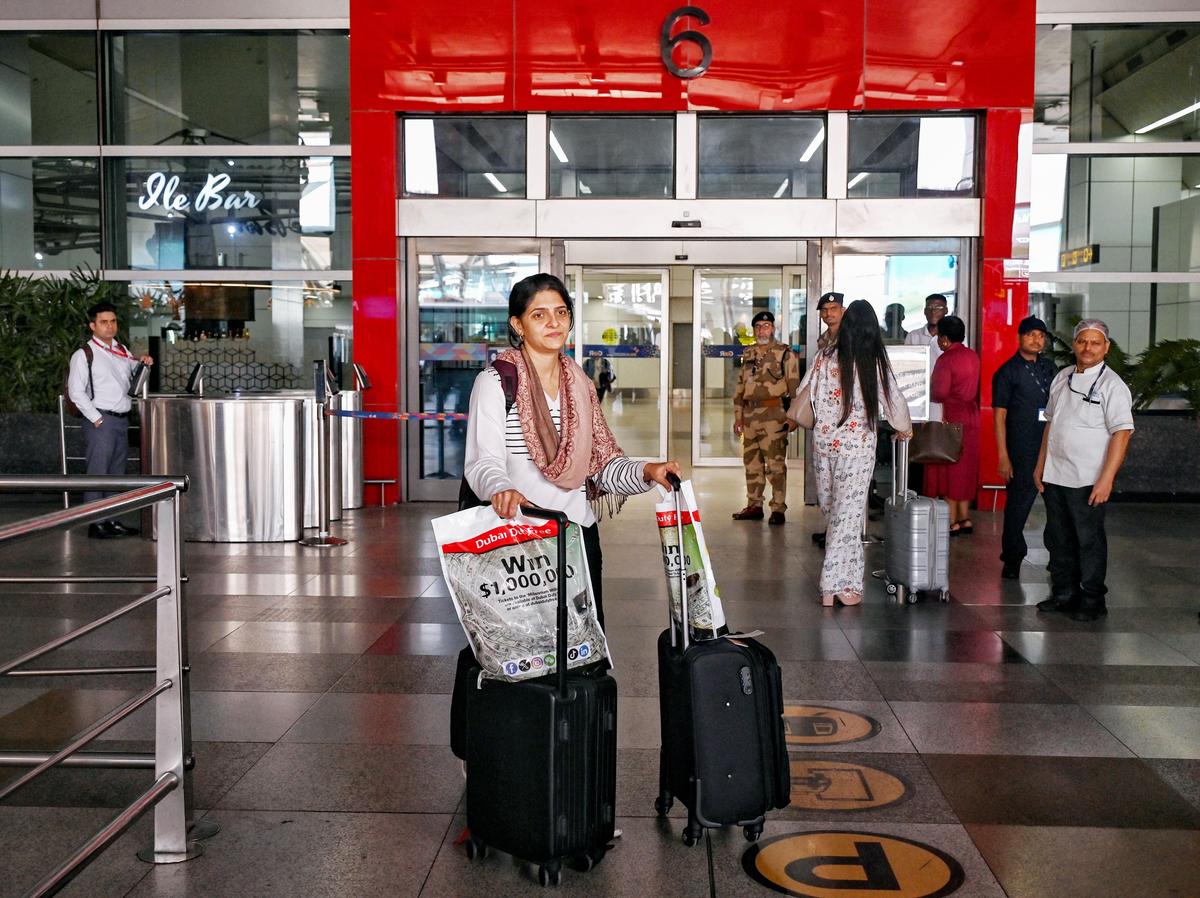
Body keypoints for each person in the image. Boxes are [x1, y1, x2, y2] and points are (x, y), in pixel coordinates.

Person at [464, 273, 681, 625]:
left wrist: (646, 471)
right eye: (539, 315)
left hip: (577, 537)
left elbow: (601, 467)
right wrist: (500, 489)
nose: (553, 322)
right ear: (517, 325)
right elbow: (482, 462)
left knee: (582, 650)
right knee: (526, 653)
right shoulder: (496, 382)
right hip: (519, 541)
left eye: (561, 313)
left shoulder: (579, 384)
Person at [806, 300, 911, 606]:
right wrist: (904, 427)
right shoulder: (872, 359)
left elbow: (806, 393)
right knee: (846, 518)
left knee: (837, 514)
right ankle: (831, 585)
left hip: (823, 445)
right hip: (856, 448)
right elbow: (893, 399)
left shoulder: (824, 357)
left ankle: (848, 583)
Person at [1034, 319, 1134, 622]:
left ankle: (1092, 598)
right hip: (1055, 473)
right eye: (1082, 341)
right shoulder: (1062, 377)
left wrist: (1106, 479)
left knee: (1088, 540)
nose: (1087, 348)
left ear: (1106, 347)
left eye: (1095, 342)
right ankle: (1064, 593)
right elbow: (1050, 423)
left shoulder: (1112, 385)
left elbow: (1122, 433)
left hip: (1089, 478)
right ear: (1075, 344)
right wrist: (1040, 465)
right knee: (1058, 537)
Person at [66, 301, 153, 539]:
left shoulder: (121, 350)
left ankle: (112, 520)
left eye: (113, 321)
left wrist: (142, 363)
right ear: (92, 325)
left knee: (117, 473)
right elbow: (75, 391)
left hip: (121, 419)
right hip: (102, 420)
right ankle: (96, 523)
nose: (109, 326)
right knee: (98, 472)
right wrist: (95, 418)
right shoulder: (84, 354)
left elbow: (127, 378)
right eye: (103, 322)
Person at [992, 316, 1057, 579]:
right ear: (1019, 338)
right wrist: (1003, 455)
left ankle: (1058, 559)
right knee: (1018, 506)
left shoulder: (1052, 369)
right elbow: (999, 416)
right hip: (1021, 448)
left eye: (1041, 335)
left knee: (1056, 507)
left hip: (1052, 446)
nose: (1036, 340)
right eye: (1030, 334)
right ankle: (1012, 558)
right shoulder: (1008, 371)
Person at [731, 310, 801, 525]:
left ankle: (778, 508)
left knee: (775, 465)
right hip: (750, 415)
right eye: (758, 326)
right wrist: (738, 417)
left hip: (774, 415)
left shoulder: (785, 354)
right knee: (752, 463)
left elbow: (794, 388)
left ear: (773, 328)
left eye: (766, 325)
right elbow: (740, 387)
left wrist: (794, 417)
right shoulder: (749, 353)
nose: (762, 330)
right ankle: (754, 505)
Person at [923, 315, 981, 535]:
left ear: (945, 339)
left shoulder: (946, 359)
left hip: (952, 416)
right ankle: (965, 517)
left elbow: (939, 392)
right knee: (966, 468)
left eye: (939, 337)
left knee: (950, 468)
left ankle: (951, 520)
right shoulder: (972, 356)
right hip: (972, 416)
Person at [810, 292, 845, 547]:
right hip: (823, 425)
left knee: (842, 485)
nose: (828, 314)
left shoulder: (850, 339)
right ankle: (831, 528)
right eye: (824, 310)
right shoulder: (825, 340)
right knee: (826, 484)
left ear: (842, 310)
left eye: (833, 308)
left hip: (844, 426)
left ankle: (839, 535)